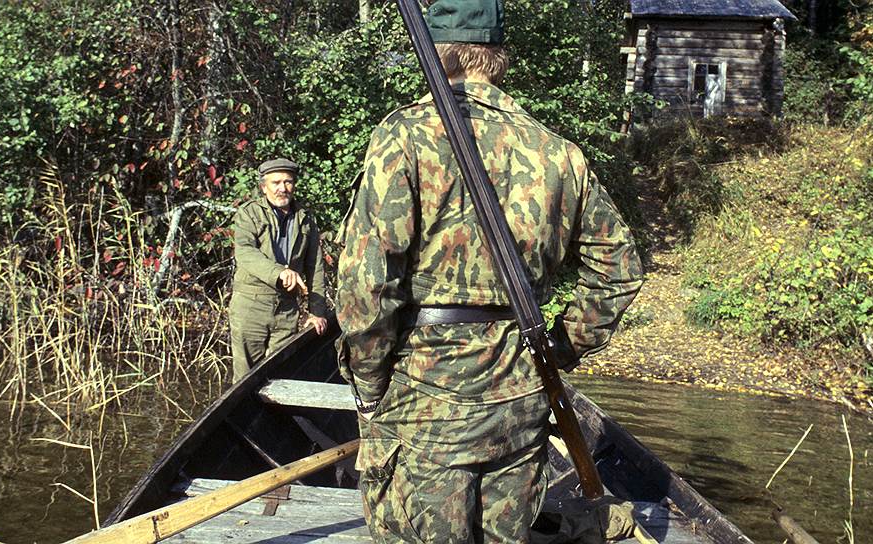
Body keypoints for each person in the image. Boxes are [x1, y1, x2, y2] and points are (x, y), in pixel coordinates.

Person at [335, 0, 644, 541]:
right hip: (519, 402)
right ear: (497, 56)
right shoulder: (557, 151)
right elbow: (619, 268)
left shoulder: (405, 135)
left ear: (438, 53)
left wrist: (370, 384)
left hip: (424, 401)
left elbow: (367, 284)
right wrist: (557, 350)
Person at [230, 158, 328, 383]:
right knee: (244, 380)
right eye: (275, 183)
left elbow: (315, 266)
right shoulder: (249, 213)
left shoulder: (305, 218)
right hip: (251, 306)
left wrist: (317, 311)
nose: (282, 188)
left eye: (288, 182)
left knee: (279, 376)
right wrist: (280, 272)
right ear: (264, 187)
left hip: (286, 309)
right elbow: (245, 252)